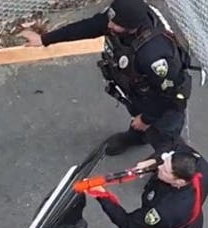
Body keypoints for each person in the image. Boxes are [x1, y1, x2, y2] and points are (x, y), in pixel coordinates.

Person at [19, 0, 195, 153]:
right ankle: (136, 138)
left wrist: (147, 119)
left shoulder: (154, 56)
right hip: (141, 92)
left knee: (164, 140)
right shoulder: (124, 16)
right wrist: (45, 39)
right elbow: (89, 26)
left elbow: (171, 95)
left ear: (131, 28)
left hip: (165, 102)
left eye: (114, 24)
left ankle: (170, 171)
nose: (109, 25)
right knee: (137, 119)